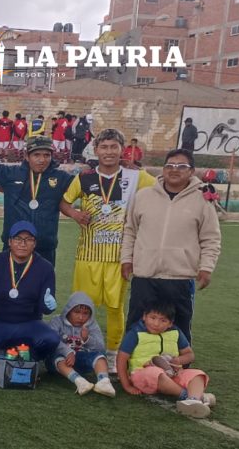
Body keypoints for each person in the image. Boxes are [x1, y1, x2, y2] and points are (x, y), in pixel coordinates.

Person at [61, 128, 155, 370]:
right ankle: (77, 348)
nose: (109, 152)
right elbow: (64, 202)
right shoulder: (84, 178)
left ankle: (113, 354)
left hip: (118, 256)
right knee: (81, 307)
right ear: (96, 150)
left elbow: (160, 189)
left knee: (115, 308)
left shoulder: (137, 177)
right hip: (88, 254)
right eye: (104, 147)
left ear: (122, 149)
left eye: (114, 147)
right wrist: (75, 214)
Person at [121, 149, 220, 342]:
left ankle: (179, 363)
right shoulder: (143, 196)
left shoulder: (202, 200)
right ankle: (133, 362)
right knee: (136, 327)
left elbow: (211, 238)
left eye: (181, 166)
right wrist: (126, 259)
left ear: (191, 171)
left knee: (178, 331)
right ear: (163, 169)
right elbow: (130, 230)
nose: (174, 170)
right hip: (145, 276)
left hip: (179, 278)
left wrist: (206, 267)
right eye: (170, 165)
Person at [0, 221, 60, 376]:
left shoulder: (45, 268)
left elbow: (45, 309)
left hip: (29, 323)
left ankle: (28, 356)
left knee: (52, 339)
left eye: (28, 239)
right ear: (10, 242)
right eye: (18, 239)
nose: (23, 244)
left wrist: (48, 305)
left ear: (34, 243)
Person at [0, 136, 73, 265]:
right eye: (36, 155)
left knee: (43, 278)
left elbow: (84, 184)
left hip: (45, 248)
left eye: (47, 155)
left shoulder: (61, 178)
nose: (42, 160)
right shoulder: (11, 174)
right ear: (27, 156)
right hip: (13, 247)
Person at [118, 302, 215, 418]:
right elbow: (121, 359)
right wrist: (126, 386)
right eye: (153, 318)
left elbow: (190, 355)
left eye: (163, 320)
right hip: (143, 374)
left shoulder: (175, 332)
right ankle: (189, 396)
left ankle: (194, 400)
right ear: (144, 316)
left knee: (198, 374)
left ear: (170, 323)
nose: (156, 323)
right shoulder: (135, 333)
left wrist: (178, 360)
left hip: (172, 374)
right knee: (155, 372)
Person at [47, 291, 116, 397]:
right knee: (58, 358)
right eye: (77, 312)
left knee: (100, 356)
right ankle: (79, 382)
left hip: (81, 361)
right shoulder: (57, 321)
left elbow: (101, 347)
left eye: (85, 313)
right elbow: (51, 340)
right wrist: (68, 352)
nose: (81, 317)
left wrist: (87, 339)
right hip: (58, 363)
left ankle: (104, 382)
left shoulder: (91, 325)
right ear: (68, 310)